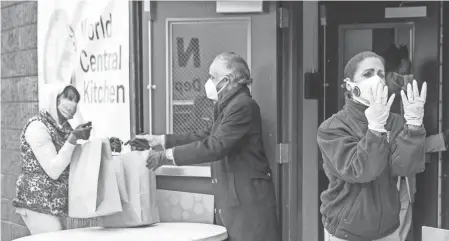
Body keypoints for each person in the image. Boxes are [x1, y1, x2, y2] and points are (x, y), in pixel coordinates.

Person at [131, 52, 280, 241]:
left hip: (247, 206)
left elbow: (215, 145)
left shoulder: (243, 106)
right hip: (236, 203)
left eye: (212, 77)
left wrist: (165, 156)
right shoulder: (228, 105)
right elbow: (206, 135)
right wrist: (159, 141)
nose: (208, 83)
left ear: (227, 80)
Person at [317, 51, 428, 241]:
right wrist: (375, 130)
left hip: (388, 230)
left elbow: (405, 167)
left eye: (380, 74)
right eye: (367, 74)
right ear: (351, 86)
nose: (376, 79)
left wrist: (414, 127)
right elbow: (359, 171)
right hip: (346, 232)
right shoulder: (332, 128)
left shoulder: (394, 121)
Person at [383, 44, 449, 241]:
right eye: (404, 72)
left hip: (404, 185)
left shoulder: (404, 101)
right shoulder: (381, 109)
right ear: (389, 75)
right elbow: (398, 149)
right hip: (390, 188)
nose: (409, 76)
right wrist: (441, 141)